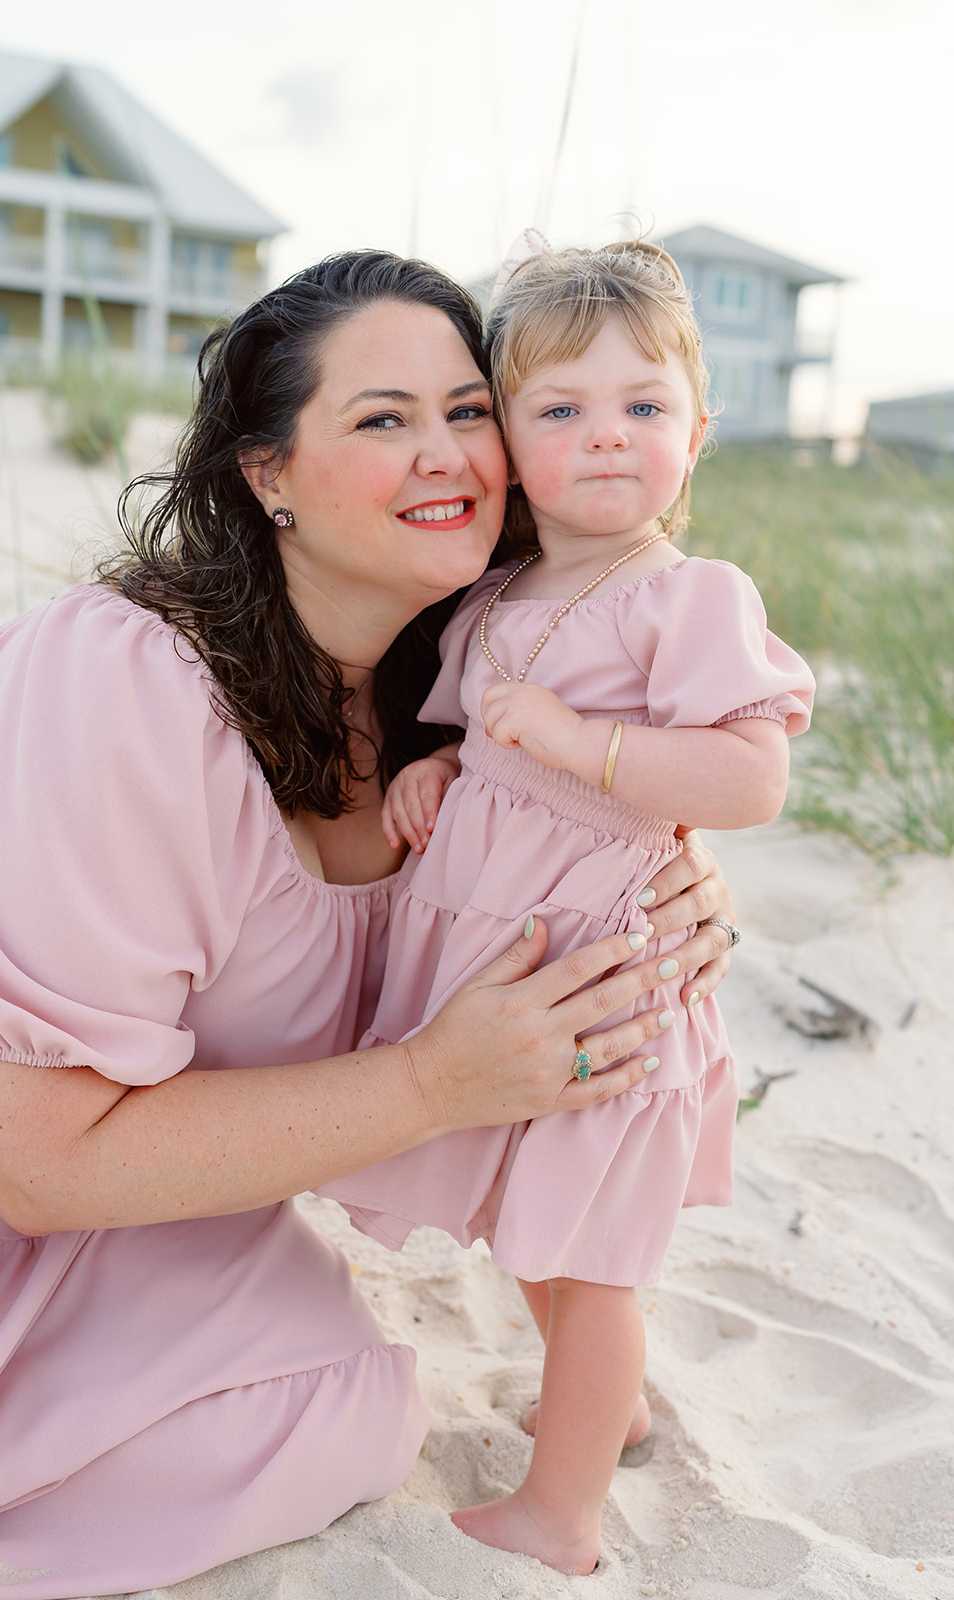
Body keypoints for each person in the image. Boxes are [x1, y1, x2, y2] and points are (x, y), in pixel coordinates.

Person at [0, 250, 737, 1599]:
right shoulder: (114, 688)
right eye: (382, 418)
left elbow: (663, 789)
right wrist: (429, 1082)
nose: (446, 452)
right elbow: (33, 1165)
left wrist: (682, 885)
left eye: (469, 412)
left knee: (345, 1411)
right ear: (267, 473)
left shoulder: (463, 706)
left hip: (154, 1209)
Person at [318, 239, 815, 1576]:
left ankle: (565, 1512)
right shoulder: (494, 598)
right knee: (537, 1226)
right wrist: (439, 769)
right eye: (562, 410)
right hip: (501, 974)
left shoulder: (687, 598)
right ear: (511, 447)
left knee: (591, 1263)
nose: (608, 439)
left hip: (604, 982)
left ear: (697, 432)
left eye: (643, 407)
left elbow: (750, 773)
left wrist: (581, 745)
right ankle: (621, 1409)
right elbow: (487, 743)